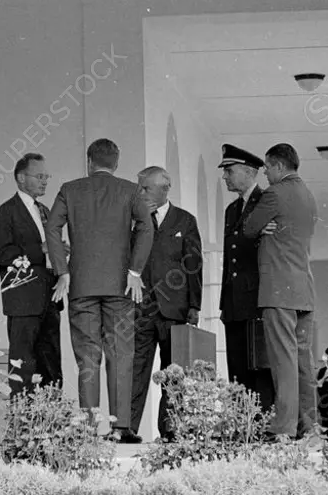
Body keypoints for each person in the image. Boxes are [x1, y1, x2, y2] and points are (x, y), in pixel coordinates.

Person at [46, 138, 154, 443]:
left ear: (89, 162)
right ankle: (121, 427)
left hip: (81, 285)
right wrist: (134, 270)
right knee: (120, 353)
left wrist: (62, 271)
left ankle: (88, 428)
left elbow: (52, 227)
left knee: (88, 356)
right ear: (116, 163)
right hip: (120, 286)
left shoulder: (70, 189)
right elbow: (147, 227)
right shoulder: (130, 191)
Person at [242, 143, 318, 440]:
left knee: (283, 360)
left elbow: (249, 227)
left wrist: (261, 228)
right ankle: (310, 425)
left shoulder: (275, 194)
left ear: (278, 166)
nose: (267, 174)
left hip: (278, 290)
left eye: (268, 168)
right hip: (304, 289)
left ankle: (284, 427)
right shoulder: (308, 196)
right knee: (303, 361)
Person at [126, 166, 202, 444]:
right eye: (140, 187)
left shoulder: (185, 221)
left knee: (174, 374)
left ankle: (170, 432)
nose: (141, 193)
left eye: (146, 188)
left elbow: (193, 264)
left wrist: (195, 305)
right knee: (135, 370)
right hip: (140, 309)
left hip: (175, 310)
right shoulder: (133, 221)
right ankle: (126, 428)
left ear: (165, 188)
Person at [0, 153, 63, 396]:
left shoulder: (45, 210)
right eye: (39, 176)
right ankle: (22, 424)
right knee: (23, 365)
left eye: (46, 177)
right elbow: (0, 253)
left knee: (51, 365)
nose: (45, 181)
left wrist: (61, 251)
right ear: (21, 178)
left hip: (50, 299)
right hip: (22, 302)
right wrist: (39, 250)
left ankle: (53, 422)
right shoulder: (6, 212)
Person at [217, 144, 275, 413]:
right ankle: (243, 425)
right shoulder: (232, 210)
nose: (225, 177)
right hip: (234, 301)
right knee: (238, 368)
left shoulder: (266, 202)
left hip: (257, 299)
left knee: (260, 366)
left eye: (229, 171)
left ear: (249, 171)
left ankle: (261, 424)